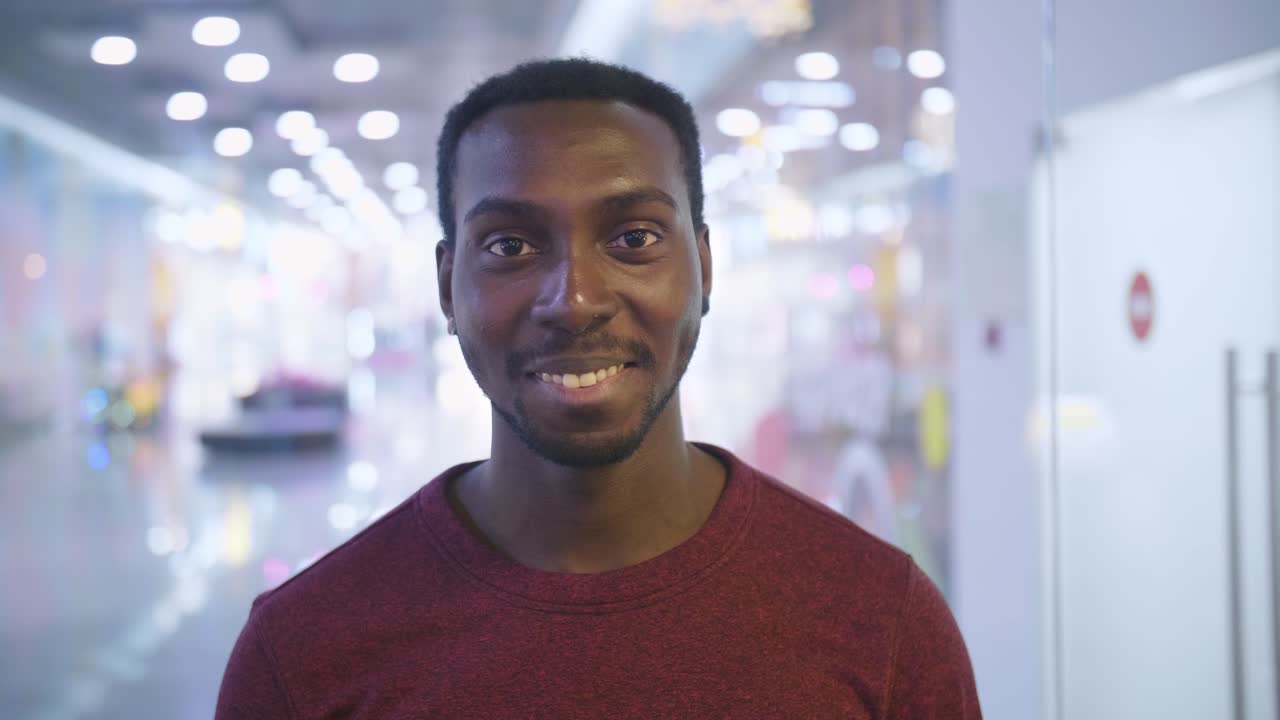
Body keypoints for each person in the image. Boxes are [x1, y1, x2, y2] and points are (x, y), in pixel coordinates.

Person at [216, 58, 981, 719]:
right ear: (448, 287)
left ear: (704, 268)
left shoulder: (881, 622)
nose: (575, 300)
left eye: (634, 239)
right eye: (510, 245)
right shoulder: (303, 653)